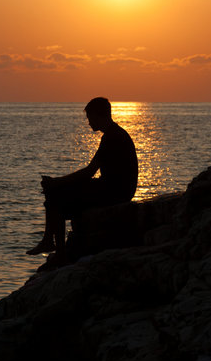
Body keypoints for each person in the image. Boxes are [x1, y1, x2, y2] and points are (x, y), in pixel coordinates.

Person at [26, 97, 138, 266]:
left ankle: (54, 247)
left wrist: (57, 182)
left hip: (115, 192)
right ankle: (53, 245)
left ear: (99, 116)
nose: (88, 123)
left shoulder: (112, 137)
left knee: (56, 194)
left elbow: (89, 172)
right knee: (57, 195)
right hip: (113, 188)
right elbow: (91, 173)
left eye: (90, 118)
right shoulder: (114, 134)